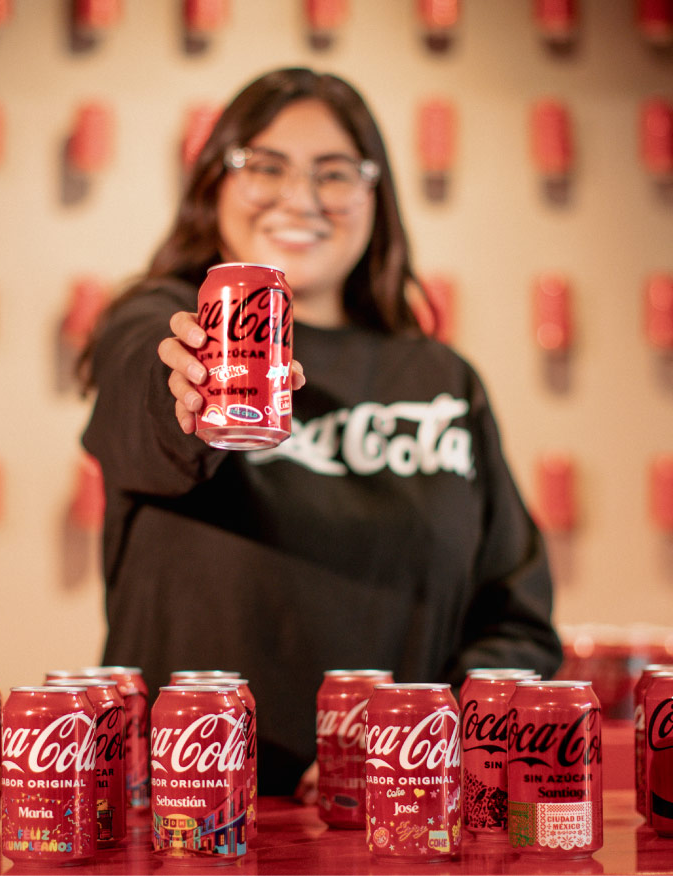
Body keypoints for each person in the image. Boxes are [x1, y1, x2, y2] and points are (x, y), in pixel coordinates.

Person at [80, 68, 561, 797]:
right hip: (185, 820)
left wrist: (428, 745)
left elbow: (515, 617)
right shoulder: (157, 323)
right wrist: (183, 387)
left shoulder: (440, 379)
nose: (301, 198)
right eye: (265, 167)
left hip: (396, 824)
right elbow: (134, 396)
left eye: (334, 174)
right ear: (215, 181)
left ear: (377, 197)